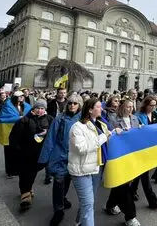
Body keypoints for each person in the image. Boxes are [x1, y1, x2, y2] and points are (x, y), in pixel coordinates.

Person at [68, 98, 121, 226]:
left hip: (97, 166)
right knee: (88, 204)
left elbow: (109, 135)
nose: (101, 109)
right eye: (98, 107)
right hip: (82, 170)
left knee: (89, 202)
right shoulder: (77, 127)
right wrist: (103, 137)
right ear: (90, 110)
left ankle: (79, 221)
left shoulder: (100, 123)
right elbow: (81, 148)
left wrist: (116, 132)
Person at [38, 94, 83, 226]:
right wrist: (44, 158)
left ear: (79, 105)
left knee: (67, 180)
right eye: (70, 103)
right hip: (60, 157)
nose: (72, 105)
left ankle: (62, 198)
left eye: (75, 103)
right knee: (58, 182)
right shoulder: (60, 119)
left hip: (75, 158)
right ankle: (58, 210)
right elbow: (50, 139)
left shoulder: (83, 120)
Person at [9, 99, 52, 209]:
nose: (40, 110)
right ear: (34, 109)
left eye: (42, 108)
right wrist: (18, 149)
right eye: (38, 108)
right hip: (25, 153)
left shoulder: (50, 119)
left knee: (32, 173)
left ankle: (28, 188)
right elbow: (14, 137)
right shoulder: (24, 120)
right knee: (25, 173)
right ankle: (25, 195)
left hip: (40, 153)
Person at [104, 99, 141, 226]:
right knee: (124, 187)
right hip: (119, 157)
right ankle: (130, 216)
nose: (130, 109)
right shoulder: (114, 120)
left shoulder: (135, 119)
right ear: (122, 107)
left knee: (121, 185)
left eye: (132, 106)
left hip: (132, 156)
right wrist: (115, 132)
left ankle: (110, 205)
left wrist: (141, 129)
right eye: (127, 107)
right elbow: (108, 135)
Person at [132, 96, 157, 209]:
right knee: (144, 173)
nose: (153, 107)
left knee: (140, 172)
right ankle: (152, 200)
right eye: (151, 105)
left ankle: (132, 190)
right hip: (141, 147)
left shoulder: (156, 114)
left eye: (155, 105)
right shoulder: (138, 116)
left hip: (152, 146)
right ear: (145, 105)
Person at [0, 90, 32, 178]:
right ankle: (9, 171)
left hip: (21, 133)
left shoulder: (27, 106)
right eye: (19, 96)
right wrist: (18, 118)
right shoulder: (8, 106)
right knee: (9, 152)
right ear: (15, 97)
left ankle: (17, 169)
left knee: (19, 151)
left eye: (22, 96)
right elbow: (2, 118)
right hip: (9, 133)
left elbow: (29, 116)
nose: (22, 97)